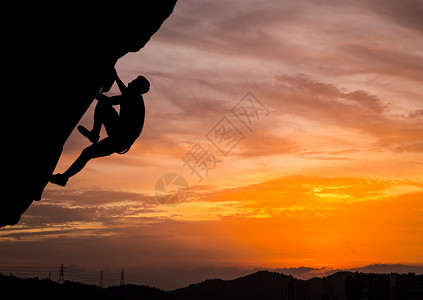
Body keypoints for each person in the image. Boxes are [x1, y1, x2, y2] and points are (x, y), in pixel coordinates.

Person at [50, 70, 150, 187]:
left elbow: (108, 101)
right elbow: (124, 90)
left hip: (120, 137)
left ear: (137, 87)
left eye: (135, 81)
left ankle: (94, 134)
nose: (132, 81)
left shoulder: (133, 97)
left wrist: (91, 92)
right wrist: (116, 77)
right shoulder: (133, 96)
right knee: (87, 153)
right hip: (120, 138)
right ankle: (64, 178)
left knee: (103, 104)